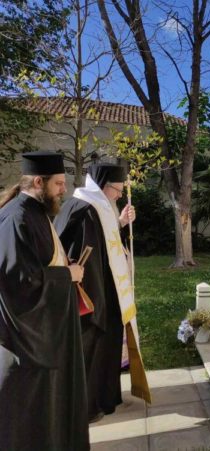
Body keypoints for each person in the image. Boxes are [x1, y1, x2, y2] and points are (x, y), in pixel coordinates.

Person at [0, 151, 89, 450]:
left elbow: (40, 264)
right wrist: (67, 275)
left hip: (49, 330)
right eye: (59, 183)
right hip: (28, 342)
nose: (64, 189)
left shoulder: (35, 212)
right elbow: (18, 282)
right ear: (39, 182)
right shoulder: (16, 218)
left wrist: (65, 267)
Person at [54, 162, 151, 423]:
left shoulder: (98, 208)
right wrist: (96, 298)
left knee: (105, 349)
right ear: (102, 186)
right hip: (91, 298)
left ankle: (105, 398)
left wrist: (120, 223)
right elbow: (75, 252)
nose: (119, 196)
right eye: (117, 190)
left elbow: (105, 244)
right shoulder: (84, 209)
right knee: (89, 351)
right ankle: (86, 407)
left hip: (107, 295)